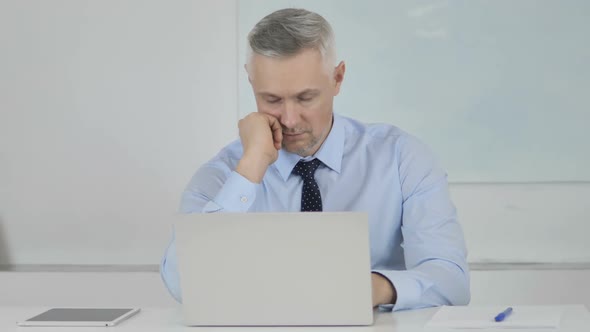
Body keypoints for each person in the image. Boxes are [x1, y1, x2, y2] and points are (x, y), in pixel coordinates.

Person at [160, 8, 470, 311]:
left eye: (305, 98)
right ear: (250, 81)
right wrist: (251, 166)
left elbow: (451, 282)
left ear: (337, 78)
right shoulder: (225, 174)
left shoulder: (402, 158)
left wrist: (367, 288)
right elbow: (180, 283)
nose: (290, 119)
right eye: (272, 100)